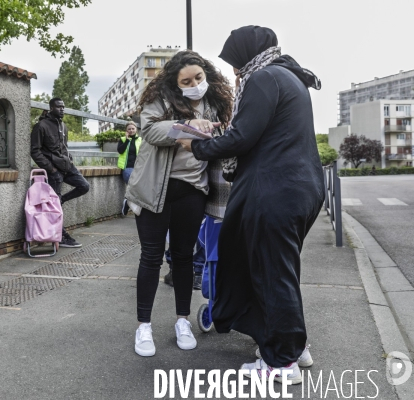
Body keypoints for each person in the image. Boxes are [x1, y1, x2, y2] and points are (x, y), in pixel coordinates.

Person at [177, 26, 324, 384]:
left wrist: (196, 146)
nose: (233, 72)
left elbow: (242, 137)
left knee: (271, 274)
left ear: (245, 55)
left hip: (274, 191)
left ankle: (280, 363)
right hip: (299, 190)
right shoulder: (290, 77)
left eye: (233, 64)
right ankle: (292, 346)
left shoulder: (263, 78)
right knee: (282, 271)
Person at [125, 50, 234, 357]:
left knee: (185, 258)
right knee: (150, 256)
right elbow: (150, 130)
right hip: (153, 190)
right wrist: (188, 124)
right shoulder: (160, 98)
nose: (194, 84)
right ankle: (143, 326)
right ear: (175, 81)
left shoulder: (215, 102)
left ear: (206, 75)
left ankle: (182, 321)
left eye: (199, 78)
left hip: (192, 190)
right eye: (186, 81)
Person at [30, 97, 90, 248]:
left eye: (63, 107)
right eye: (58, 107)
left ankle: (61, 199)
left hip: (67, 166)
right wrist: (51, 169)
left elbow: (64, 146)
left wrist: (69, 158)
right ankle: (61, 236)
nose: (62, 109)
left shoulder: (63, 125)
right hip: (54, 171)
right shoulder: (41, 126)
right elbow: (35, 151)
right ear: (51, 108)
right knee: (54, 208)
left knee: (84, 186)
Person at [118, 121, 141, 215]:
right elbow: (120, 151)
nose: (131, 130)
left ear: (136, 130)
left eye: (133, 129)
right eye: (129, 129)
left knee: (138, 187)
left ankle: (127, 202)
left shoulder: (140, 140)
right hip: (127, 168)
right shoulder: (123, 139)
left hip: (139, 168)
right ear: (126, 131)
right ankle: (129, 203)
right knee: (133, 186)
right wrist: (127, 140)